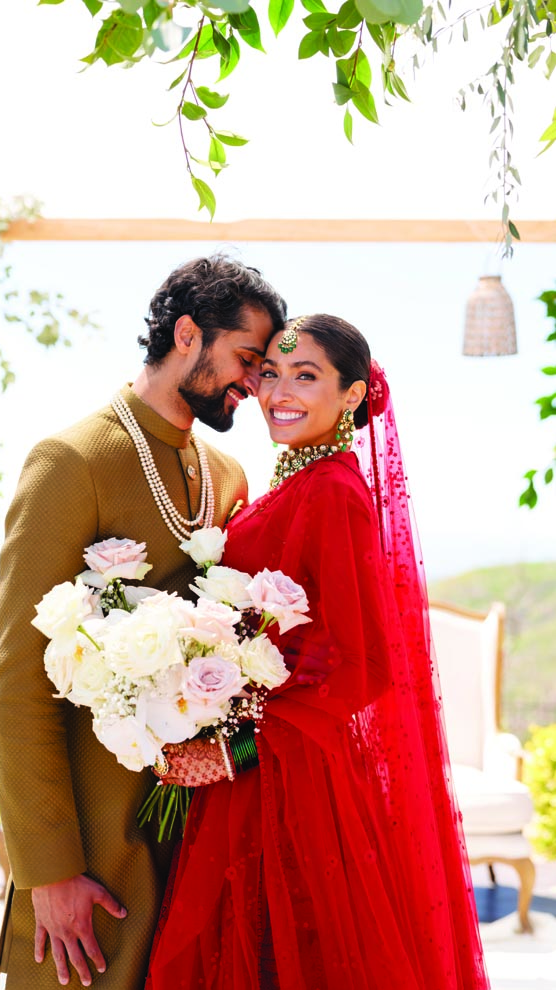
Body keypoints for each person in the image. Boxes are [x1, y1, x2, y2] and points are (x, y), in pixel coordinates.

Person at [146, 314, 490, 989]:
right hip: (263, 767)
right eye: (270, 373)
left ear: (353, 395)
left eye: (306, 376)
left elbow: (363, 668)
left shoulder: (335, 492)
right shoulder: (297, 482)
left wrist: (231, 752)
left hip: (288, 778)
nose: (280, 392)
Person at [0, 256, 287, 990]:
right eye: (246, 358)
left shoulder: (226, 474)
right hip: (93, 851)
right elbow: (17, 680)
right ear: (188, 334)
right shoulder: (70, 461)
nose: (254, 382)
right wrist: (49, 872)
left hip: (199, 840)